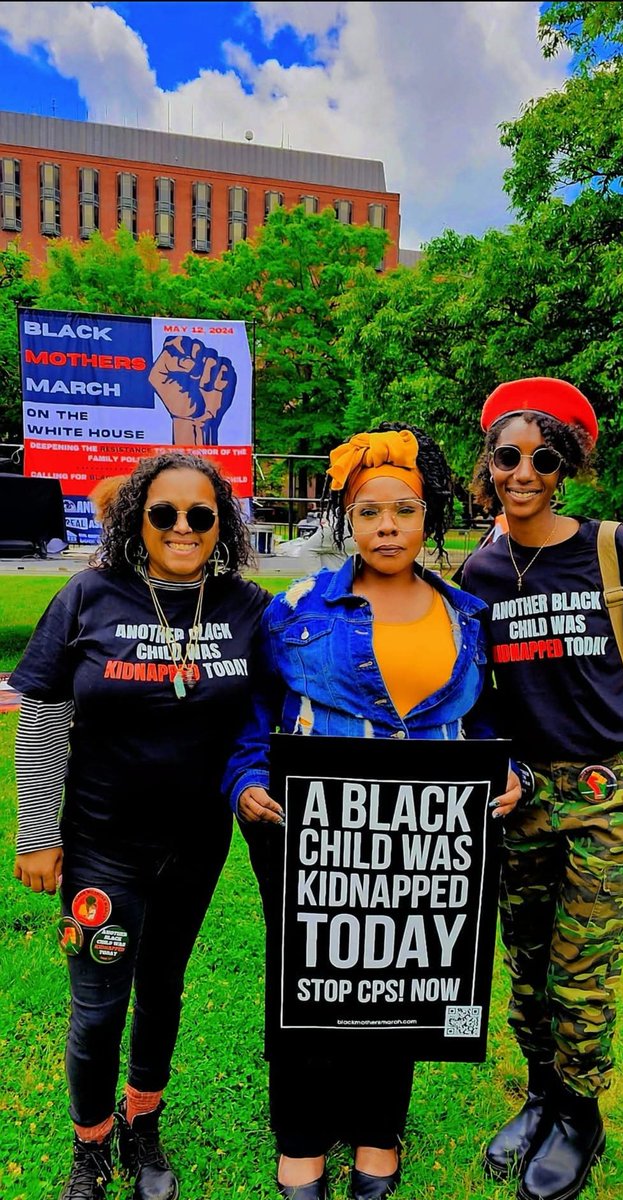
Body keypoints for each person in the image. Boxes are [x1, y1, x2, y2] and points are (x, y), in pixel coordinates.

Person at [223, 423, 521, 1200]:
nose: (387, 525)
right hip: (309, 829)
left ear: (430, 518)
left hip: (429, 839)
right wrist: (247, 777)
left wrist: (506, 772)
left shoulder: (466, 615)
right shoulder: (293, 609)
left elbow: (485, 723)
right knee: (309, 982)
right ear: (347, 521)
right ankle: (300, 1145)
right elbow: (256, 713)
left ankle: (378, 1139)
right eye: (368, 512)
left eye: (405, 509)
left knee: (406, 982)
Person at [11, 452, 270, 1200]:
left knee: (163, 989)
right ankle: (89, 1145)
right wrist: (36, 831)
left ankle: (142, 1122)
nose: (182, 527)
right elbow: (45, 715)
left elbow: (300, 687)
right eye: (164, 513)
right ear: (136, 519)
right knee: (97, 1007)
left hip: (195, 848)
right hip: (100, 847)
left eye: (201, 514)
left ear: (221, 523)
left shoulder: (245, 606)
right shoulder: (88, 595)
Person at [461, 378, 623, 1200]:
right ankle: (544, 1094)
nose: (524, 471)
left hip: (610, 786)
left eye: (542, 458)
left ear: (566, 468)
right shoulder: (478, 569)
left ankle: (582, 1115)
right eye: (509, 456)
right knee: (526, 958)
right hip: (524, 793)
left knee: (580, 965)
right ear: (490, 465)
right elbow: (472, 692)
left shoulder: (608, 547)